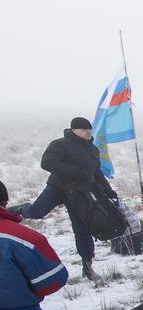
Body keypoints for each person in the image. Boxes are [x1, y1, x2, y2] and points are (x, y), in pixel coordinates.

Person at [26, 117, 116, 282]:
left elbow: (97, 173)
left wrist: (108, 191)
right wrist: (75, 173)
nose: (88, 132)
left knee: (83, 228)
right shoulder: (59, 144)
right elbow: (47, 163)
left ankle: (87, 267)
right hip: (58, 188)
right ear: (74, 130)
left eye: (89, 129)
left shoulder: (93, 149)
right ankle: (19, 210)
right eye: (84, 129)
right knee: (36, 212)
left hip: (79, 193)